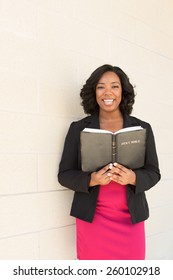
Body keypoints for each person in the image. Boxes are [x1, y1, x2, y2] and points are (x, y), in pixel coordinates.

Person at [58, 64, 161, 260]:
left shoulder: (142, 127)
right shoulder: (78, 128)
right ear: (93, 92)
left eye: (114, 86)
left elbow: (154, 173)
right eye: (100, 86)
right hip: (92, 219)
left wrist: (133, 178)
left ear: (123, 91)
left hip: (131, 219)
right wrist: (92, 180)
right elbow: (65, 175)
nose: (108, 92)